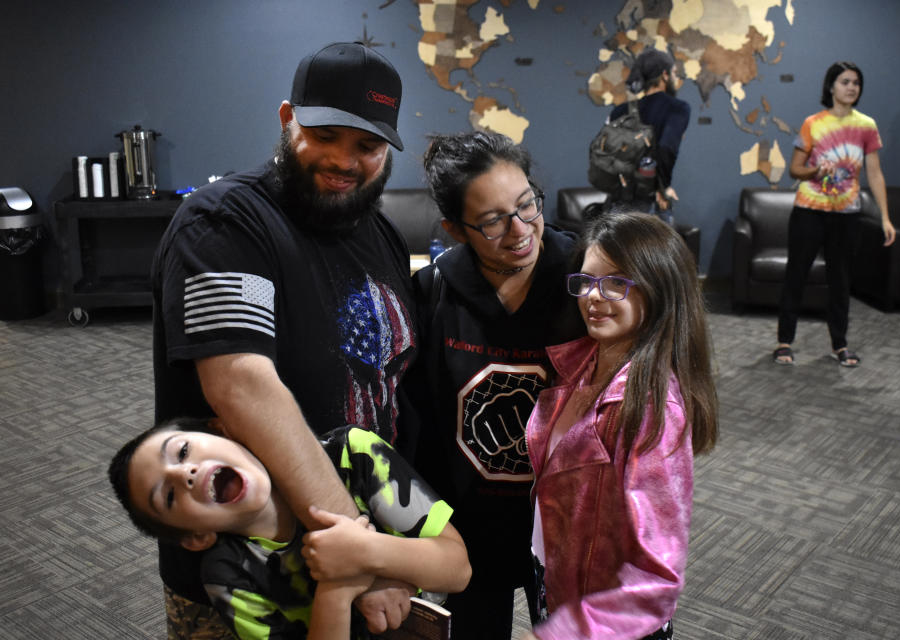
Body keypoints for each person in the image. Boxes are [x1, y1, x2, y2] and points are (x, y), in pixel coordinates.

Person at [152, 42, 418, 637]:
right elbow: (241, 386)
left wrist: (391, 546)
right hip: (249, 576)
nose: (345, 161)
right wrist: (358, 544)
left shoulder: (382, 235)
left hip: (364, 560)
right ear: (286, 118)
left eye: (367, 146)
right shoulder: (224, 222)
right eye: (325, 134)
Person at [401, 131, 584, 639]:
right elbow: (418, 421)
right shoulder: (434, 293)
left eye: (528, 205)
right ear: (455, 229)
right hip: (470, 527)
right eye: (492, 221)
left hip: (564, 524)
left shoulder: (581, 282)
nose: (521, 230)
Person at [523, 212, 718, 640]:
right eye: (588, 281)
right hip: (556, 580)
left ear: (658, 289)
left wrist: (563, 634)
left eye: (616, 283)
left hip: (605, 620)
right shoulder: (580, 363)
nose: (594, 296)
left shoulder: (651, 406)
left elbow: (657, 578)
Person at [109, 418, 471, 639]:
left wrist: (364, 552)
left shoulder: (353, 455)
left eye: (183, 451)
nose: (183, 474)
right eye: (169, 496)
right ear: (196, 537)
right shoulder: (228, 574)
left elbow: (457, 569)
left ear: (223, 429)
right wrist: (336, 587)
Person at [774, 61, 896, 367]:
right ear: (831, 87)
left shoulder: (867, 125)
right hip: (809, 211)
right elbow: (795, 169)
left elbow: (875, 173)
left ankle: (839, 344)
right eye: (845, 82)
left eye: (856, 82)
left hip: (847, 214)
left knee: (841, 280)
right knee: (796, 276)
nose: (851, 87)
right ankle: (784, 341)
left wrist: (885, 217)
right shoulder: (812, 122)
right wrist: (816, 169)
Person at [604, 47, 691, 224]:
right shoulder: (677, 108)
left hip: (618, 202)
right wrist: (663, 188)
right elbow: (666, 147)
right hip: (647, 204)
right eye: (674, 73)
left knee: (617, 251)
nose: (675, 78)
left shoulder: (620, 110)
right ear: (665, 75)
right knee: (654, 252)